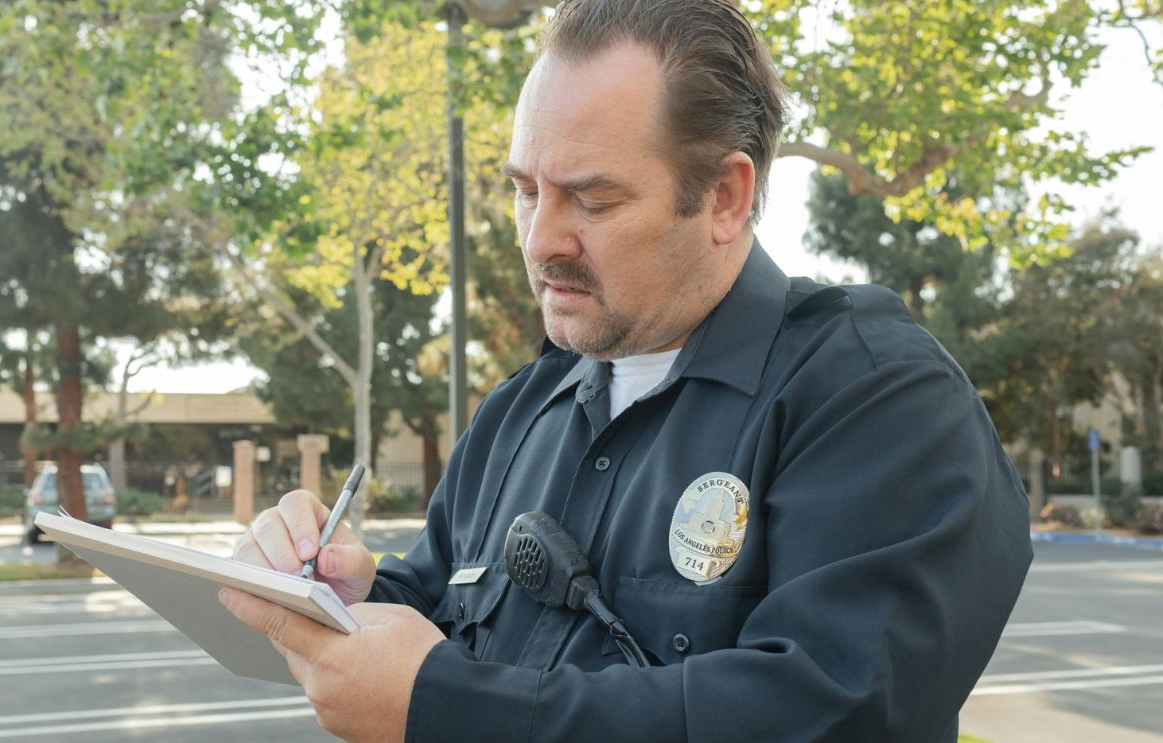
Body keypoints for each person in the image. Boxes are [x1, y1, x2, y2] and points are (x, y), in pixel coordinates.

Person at [222, 1, 1033, 741]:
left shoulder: (873, 396)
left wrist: (447, 706)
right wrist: (330, 590)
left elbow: (827, 709)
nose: (542, 240)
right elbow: (436, 613)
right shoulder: (518, 412)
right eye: (523, 190)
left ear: (723, 195)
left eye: (593, 201)